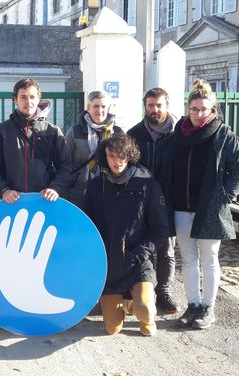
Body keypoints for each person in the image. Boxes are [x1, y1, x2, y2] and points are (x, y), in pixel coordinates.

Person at [157, 79, 239, 330]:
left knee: (209, 259)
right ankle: (193, 304)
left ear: (212, 110)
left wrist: (225, 197)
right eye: (194, 109)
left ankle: (208, 307)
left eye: (203, 110)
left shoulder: (223, 135)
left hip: (209, 209)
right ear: (188, 109)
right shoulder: (176, 137)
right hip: (181, 208)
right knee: (187, 259)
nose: (198, 114)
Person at [0, 77, 72, 330]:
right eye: (23, 96)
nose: (28, 101)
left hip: (43, 208)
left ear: (38, 99)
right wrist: (3, 190)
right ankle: (0, 313)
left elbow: (66, 167)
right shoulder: (2, 131)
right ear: (15, 99)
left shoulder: (52, 131)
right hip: (10, 207)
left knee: (41, 259)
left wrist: (55, 188)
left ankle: (41, 311)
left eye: (32, 96)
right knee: (5, 260)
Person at [85, 133, 169, 336]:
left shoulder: (148, 186)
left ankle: (138, 304)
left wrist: (140, 253)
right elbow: (88, 225)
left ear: (129, 156)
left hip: (137, 261)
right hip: (109, 265)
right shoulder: (97, 186)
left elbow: (160, 231)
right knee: (112, 328)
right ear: (105, 157)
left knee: (146, 314)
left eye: (121, 156)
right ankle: (123, 303)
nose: (116, 161)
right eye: (111, 156)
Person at [127, 87, 179, 314]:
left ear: (166, 105)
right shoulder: (134, 133)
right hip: (141, 198)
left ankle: (164, 292)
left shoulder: (180, 134)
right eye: (150, 105)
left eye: (159, 105)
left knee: (166, 247)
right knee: (140, 244)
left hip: (170, 197)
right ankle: (137, 289)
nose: (155, 109)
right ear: (145, 106)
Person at [65, 90, 123, 211]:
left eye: (103, 106)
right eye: (96, 106)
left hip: (109, 190)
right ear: (88, 108)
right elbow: (64, 162)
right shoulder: (75, 132)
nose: (100, 110)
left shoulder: (117, 133)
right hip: (79, 193)